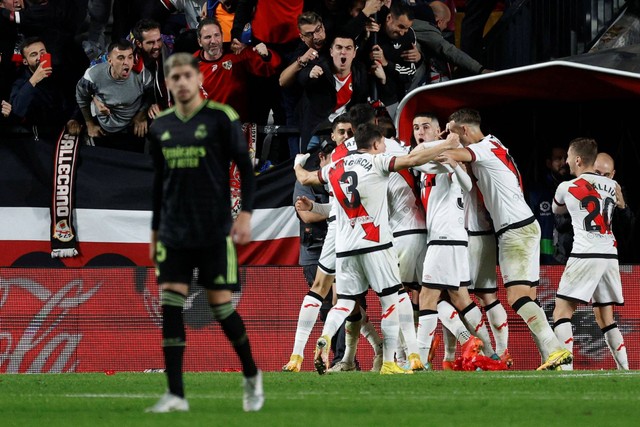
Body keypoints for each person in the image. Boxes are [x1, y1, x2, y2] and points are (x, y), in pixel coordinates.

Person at [146, 52, 263, 413]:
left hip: (213, 230)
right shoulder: (159, 127)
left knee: (220, 307)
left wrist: (244, 214)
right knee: (170, 304)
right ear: (167, 83)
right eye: (174, 77)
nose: (180, 82)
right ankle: (176, 394)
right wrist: (154, 231)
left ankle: (251, 374)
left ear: (199, 80)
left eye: (186, 75)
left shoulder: (220, 117)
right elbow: (158, 182)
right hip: (173, 231)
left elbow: (245, 165)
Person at [295, 122, 460, 375]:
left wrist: (297, 163)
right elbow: (413, 159)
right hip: (376, 243)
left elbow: (305, 177)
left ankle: (326, 337)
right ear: (374, 144)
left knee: (345, 302)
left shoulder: (334, 167)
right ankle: (390, 362)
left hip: (345, 248)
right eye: (382, 143)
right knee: (392, 299)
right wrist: (447, 145)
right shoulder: (378, 161)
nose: (384, 146)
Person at [442, 108, 572, 371]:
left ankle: (556, 350)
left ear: (465, 131)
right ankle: (556, 360)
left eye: (455, 132)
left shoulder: (483, 148)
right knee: (528, 298)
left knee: (517, 297)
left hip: (515, 229)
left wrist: (443, 142)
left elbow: (448, 154)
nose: (453, 137)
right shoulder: (495, 143)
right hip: (522, 225)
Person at [551, 138, 628, 370]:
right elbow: (621, 210)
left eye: (567, 157)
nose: (565, 161)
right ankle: (625, 370)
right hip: (609, 254)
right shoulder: (612, 186)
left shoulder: (567, 186)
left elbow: (557, 209)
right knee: (606, 318)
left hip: (585, 253)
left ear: (577, 159)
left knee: (562, 311)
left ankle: (565, 370)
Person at [195, 17, 281, 123]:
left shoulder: (237, 54)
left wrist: (266, 55)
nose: (213, 41)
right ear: (199, 41)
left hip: (237, 125)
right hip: (206, 126)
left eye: (217, 35)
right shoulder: (190, 65)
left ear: (222, 36)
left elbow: (271, 66)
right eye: (207, 37)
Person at [76, 39, 154, 152]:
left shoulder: (142, 76)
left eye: (130, 57)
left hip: (132, 130)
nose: (126, 62)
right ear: (110, 60)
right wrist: (90, 124)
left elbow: (152, 93)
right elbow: (81, 96)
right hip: (103, 131)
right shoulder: (93, 75)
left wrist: (141, 115)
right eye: (121, 58)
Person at [10, 36, 82, 140]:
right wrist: (33, 80)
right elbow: (17, 111)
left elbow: (78, 96)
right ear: (25, 61)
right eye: (34, 55)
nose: (40, 57)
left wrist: (74, 118)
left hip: (66, 128)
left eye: (42, 53)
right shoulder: (20, 82)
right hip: (39, 133)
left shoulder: (61, 72)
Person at [411, 0, 493, 83]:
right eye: (446, 22)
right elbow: (450, 51)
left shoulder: (412, 24)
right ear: (439, 22)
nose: (446, 26)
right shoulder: (427, 30)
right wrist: (480, 69)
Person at [527, 146, 571, 264]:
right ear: (549, 163)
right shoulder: (536, 193)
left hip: (572, 260)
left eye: (566, 158)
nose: (563, 162)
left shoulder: (576, 190)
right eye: (558, 159)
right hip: (544, 262)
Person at [594, 152, 635, 264]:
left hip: (610, 256)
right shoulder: (578, 188)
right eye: (597, 173)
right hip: (583, 254)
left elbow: (629, 227)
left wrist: (622, 206)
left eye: (606, 175)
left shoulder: (618, 191)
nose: (601, 178)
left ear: (612, 174)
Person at [132, 18, 172, 116]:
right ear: (138, 44)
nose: (156, 46)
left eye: (158, 40)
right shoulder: (124, 52)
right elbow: (97, 66)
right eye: (150, 43)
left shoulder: (170, 46)